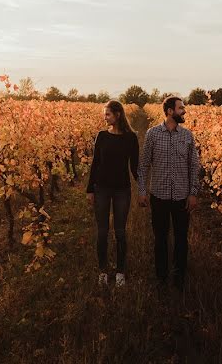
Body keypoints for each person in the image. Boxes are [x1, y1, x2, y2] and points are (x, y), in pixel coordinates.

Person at [138, 96, 200, 291]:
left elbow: (194, 166)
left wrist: (193, 193)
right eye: (181, 108)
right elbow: (144, 165)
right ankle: (161, 277)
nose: (184, 111)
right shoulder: (153, 134)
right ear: (170, 111)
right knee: (160, 238)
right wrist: (142, 191)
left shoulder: (187, 136)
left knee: (182, 239)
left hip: (182, 196)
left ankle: (179, 277)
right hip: (159, 196)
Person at [86, 100, 139, 287]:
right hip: (101, 188)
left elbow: (135, 167)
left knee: (120, 232)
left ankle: (120, 271)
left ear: (117, 115)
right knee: (102, 232)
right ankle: (102, 271)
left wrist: (142, 190)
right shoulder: (101, 136)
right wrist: (90, 189)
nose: (105, 117)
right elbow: (95, 164)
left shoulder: (131, 138)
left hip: (122, 190)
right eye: (104, 114)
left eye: (107, 114)